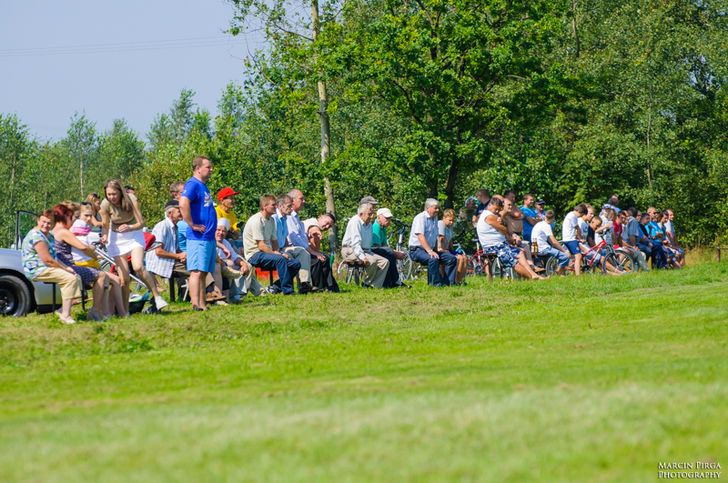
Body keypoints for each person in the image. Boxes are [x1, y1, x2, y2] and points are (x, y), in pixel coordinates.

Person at [100, 179, 168, 312]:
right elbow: (105, 225)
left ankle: (157, 296)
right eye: (109, 194)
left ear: (120, 192)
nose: (111, 197)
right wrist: (104, 236)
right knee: (124, 279)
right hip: (117, 238)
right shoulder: (105, 204)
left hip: (134, 234)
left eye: (114, 194)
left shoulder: (131, 199)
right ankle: (125, 311)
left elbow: (141, 222)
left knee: (138, 266)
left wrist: (130, 227)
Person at [52, 203, 120, 320]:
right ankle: (95, 311)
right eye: (71, 217)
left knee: (105, 277)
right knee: (102, 275)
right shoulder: (63, 231)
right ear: (66, 217)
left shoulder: (56, 230)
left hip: (66, 265)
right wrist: (94, 254)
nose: (73, 221)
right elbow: (83, 247)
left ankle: (103, 312)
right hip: (69, 267)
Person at [21, 210, 83, 324]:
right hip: (36, 269)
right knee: (69, 279)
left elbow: (55, 257)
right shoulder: (36, 236)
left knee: (75, 276)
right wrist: (65, 270)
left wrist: (68, 268)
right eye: (43, 222)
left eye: (49, 223)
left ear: (53, 224)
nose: (46, 225)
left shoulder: (48, 236)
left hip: (46, 267)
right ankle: (66, 316)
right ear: (38, 221)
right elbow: (48, 260)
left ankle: (61, 310)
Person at [179, 156, 218, 311]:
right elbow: (183, 203)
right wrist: (191, 224)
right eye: (208, 167)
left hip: (207, 236)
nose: (211, 170)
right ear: (198, 168)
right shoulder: (193, 184)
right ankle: (195, 303)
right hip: (198, 237)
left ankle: (202, 303)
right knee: (196, 271)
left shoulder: (203, 186)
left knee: (202, 272)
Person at [243, 195, 301, 295]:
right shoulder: (257, 220)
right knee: (280, 259)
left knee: (295, 264)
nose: (276, 207)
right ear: (265, 206)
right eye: (273, 205)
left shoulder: (271, 220)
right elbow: (261, 246)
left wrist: (279, 252)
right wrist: (278, 255)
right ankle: (288, 291)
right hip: (254, 254)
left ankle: (275, 287)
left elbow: (274, 241)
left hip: (265, 253)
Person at [477, 198, 543, 280]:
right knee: (514, 261)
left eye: (498, 210)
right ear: (490, 205)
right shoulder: (489, 216)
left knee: (520, 252)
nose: (497, 211)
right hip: (495, 246)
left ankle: (533, 274)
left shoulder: (490, 215)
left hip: (498, 244)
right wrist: (503, 226)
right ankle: (531, 277)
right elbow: (504, 230)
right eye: (496, 209)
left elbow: (504, 230)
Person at [409, 198, 457, 286]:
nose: (438, 210)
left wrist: (438, 249)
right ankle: (435, 284)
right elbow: (420, 236)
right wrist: (430, 251)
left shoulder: (434, 218)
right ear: (428, 208)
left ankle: (448, 284)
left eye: (438, 208)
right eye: (435, 208)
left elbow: (435, 236)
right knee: (433, 259)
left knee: (451, 258)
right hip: (417, 250)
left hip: (430, 249)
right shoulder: (420, 218)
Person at [145, 199, 189, 293]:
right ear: (170, 213)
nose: (181, 213)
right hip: (161, 263)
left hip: (171, 261)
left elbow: (175, 249)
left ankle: (209, 294)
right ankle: (208, 295)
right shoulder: (162, 226)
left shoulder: (175, 227)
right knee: (196, 269)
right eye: (179, 211)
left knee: (198, 266)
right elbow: (159, 251)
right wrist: (178, 256)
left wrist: (182, 256)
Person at [341, 203, 389, 288]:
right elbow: (355, 243)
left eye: (372, 214)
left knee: (384, 262)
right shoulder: (355, 222)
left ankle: (375, 286)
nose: (372, 216)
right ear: (360, 214)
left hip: (365, 250)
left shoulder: (369, 224)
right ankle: (367, 284)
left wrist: (368, 253)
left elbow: (368, 244)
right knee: (372, 260)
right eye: (369, 214)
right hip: (350, 250)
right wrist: (363, 257)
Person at [214, 219, 261, 301]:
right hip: (217, 265)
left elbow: (234, 256)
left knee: (248, 265)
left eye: (223, 231)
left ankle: (239, 294)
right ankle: (233, 295)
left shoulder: (225, 242)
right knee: (230, 264)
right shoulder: (210, 242)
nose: (220, 233)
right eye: (218, 230)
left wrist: (243, 264)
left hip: (225, 264)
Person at [284, 189, 314, 292]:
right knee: (305, 253)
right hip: (289, 247)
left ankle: (306, 284)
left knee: (322, 258)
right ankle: (303, 284)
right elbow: (294, 238)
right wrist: (309, 249)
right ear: (292, 201)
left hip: (294, 247)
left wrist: (309, 248)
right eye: (301, 199)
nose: (304, 201)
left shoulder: (296, 217)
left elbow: (302, 237)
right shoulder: (288, 216)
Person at [371, 207, 407, 288]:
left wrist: (393, 252)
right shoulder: (376, 227)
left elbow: (384, 246)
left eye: (390, 219)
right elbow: (376, 246)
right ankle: (394, 282)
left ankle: (391, 282)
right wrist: (395, 252)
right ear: (379, 217)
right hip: (372, 250)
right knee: (390, 255)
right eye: (386, 218)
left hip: (377, 249)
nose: (388, 221)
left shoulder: (383, 228)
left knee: (390, 256)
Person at [304, 213, 339, 292]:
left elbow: (315, 249)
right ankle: (319, 286)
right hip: (299, 250)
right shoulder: (312, 222)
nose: (327, 227)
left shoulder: (316, 226)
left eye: (329, 226)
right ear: (321, 216)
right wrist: (316, 232)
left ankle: (329, 286)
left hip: (306, 250)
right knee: (320, 259)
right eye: (327, 223)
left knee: (325, 257)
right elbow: (313, 228)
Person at [438, 208, 468, 284]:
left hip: (448, 249)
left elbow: (450, 240)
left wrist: (453, 251)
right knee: (460, 258)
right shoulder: (441, 224)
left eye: (453, 220)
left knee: (464, 257)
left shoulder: (450, 227)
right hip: (440, 249)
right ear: (444, 218)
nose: (451, 222)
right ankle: (455, 281)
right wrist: (443, 249)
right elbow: (440, 238)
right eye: (449, 220)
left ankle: (461, 279)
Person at [562, 204, 588, 276]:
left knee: (570, 256)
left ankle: (561, 269)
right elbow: (577, 228)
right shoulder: (573, 216)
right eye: (581, 214)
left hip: (567, 238)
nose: (581, 216)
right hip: (570, 239)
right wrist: (580, 239)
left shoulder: (570, 215)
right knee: (578, 256)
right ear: (579, 211)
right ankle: (578, 275)